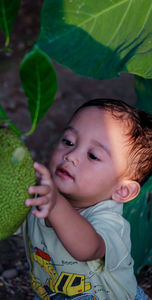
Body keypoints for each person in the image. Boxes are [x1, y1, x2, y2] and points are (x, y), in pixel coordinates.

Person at [16, 99, 152, 299]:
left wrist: (55, 204)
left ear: (122, 191)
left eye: (93, 156)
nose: (71, 155)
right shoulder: (41, 196)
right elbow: (4, 219)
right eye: (68, 142)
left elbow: (88, 248)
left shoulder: (111, 222)